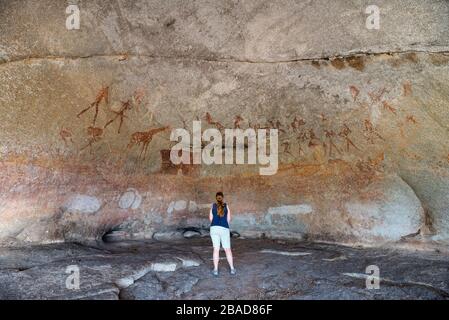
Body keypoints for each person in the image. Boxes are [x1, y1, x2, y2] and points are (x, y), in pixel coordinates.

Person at [209, 191, 236, 276]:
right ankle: (232, 269)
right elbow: (228, 219)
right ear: (222, 198)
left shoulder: (213, 206)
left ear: (216, 198)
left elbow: (210, 219)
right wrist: (224, 225)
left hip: (214, 228)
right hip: (224, 228)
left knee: (216, 249)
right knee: (227, 249)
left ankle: (216, 270)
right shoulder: (226, 206)